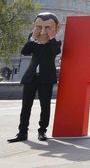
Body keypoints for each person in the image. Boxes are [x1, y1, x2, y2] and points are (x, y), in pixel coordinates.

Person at [7, 12, 61, 143]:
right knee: (26, 106)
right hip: (31, 77)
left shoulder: (55, 43)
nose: (43, 31)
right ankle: (22, 132)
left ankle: (42, 131)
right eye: (39, 27)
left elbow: (56, 52)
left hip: (46, 78)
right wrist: (32, 37)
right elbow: (24, 51)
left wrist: (52, 37)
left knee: (45, 106)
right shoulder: (34, 43)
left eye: (47, 27)